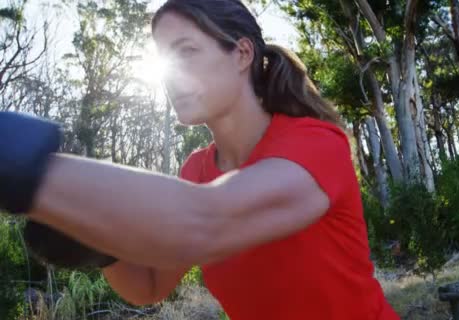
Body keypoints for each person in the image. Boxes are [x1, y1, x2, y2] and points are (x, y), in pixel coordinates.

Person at [0, 0, 400, 319]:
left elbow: (207, 220)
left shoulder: (315, 143)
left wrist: (28, 168)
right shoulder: (196, 171)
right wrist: (101, 248)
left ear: (242, 53)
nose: (170, 74)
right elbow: (150, 286)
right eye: (163, 58)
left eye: (187, 51)